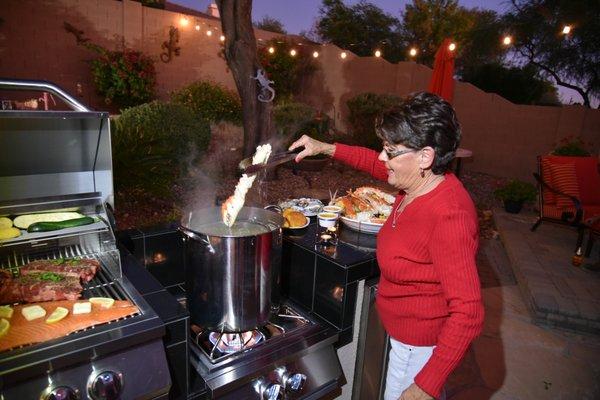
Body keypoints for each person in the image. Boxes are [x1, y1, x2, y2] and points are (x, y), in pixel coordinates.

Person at [289, 92, 484, 400]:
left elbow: (469, 313)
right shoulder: (419, 181)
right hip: (403, 338)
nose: (382, 158)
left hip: (419, 353)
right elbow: (372, 163)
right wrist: (324, 147)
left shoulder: (449, 216)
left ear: (425, 156)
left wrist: (424, 386)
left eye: (390, 151)